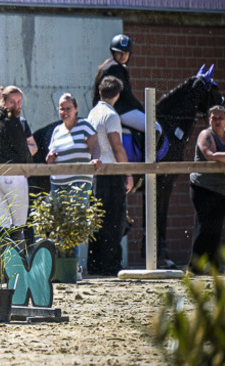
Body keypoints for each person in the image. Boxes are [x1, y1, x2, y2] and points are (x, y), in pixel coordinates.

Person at [46, 93, 101, 276]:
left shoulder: (84, 126)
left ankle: (74, 267)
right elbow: (50, 156)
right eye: (62, 108)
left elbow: (95, 146)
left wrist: (95, 160)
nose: (65, 112)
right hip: (58, 183)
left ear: (76, 109)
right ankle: (60, 268)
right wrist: (50, 158)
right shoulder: (56, 131)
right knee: (59, 225)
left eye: (68, 108)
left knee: (74, 223)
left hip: (79, 181)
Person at [87, 76, 134, 276]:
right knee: (114, 220)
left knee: (98, 219)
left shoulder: (92, 113)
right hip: (111, 171)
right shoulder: (111, 115)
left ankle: (95, 264)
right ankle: (111, 265)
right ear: (117, 94)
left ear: (100, 92)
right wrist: (128, 173)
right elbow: (117, 146)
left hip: (95, 172)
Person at [0, 86, 37, 236]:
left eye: (19, 102)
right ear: (4, 101)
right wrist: (28, 168)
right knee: (18, 225)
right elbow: (23, 149)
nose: (17, 106)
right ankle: (16, 258)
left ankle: (3, 258)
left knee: (2, 225)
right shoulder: (13, 121)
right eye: (12, 102)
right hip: (11, 174)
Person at [92, 33, 160, 135]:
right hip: (120, 110)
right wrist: (142, 109)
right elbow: (127, 95)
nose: (123, 56)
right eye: (120, 53)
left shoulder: (106, 65)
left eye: (126, 53)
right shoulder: (116, 68)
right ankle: (145, 152)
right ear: (113, 52)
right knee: (155, 128)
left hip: (104, 108)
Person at [188, 105, 225, 272]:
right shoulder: (206, 135)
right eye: (213, 118)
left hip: (220, 188)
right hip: (202, 187)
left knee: (216, 227)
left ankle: (213, 266)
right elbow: (210, 155)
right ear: (209, 120)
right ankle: (194, 267)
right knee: (203, 226)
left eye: (220, 118)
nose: (216, 121)